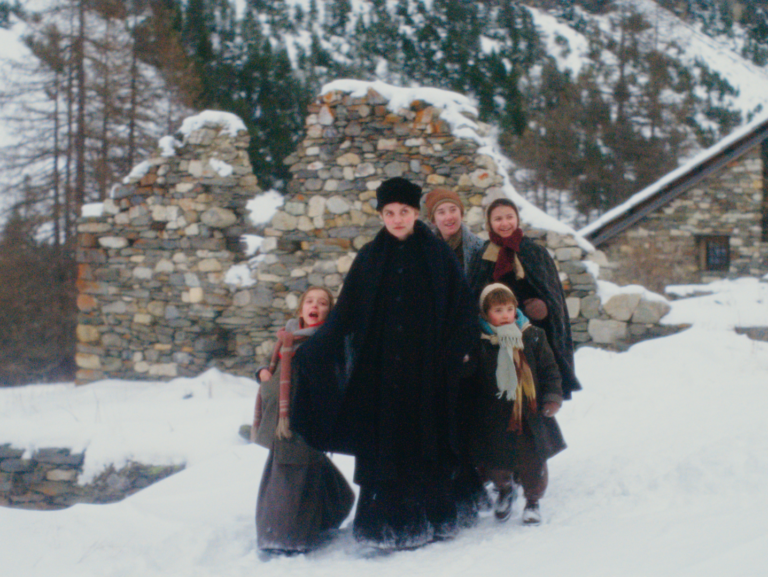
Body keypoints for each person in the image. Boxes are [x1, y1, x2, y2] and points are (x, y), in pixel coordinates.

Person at [291, 177, 479, 550]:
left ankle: (430, 519)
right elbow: (345, 313)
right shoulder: (369, 257)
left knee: (426, 441)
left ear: (416, 213)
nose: (396, 219)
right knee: (384, 444)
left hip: (427, 370)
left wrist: (459, 350)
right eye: (389, 213)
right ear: (380, 215)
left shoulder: (437, 254)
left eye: (404, 212)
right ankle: (383, 526)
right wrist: (313, 351)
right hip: (381, 372)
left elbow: (462, 307)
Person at [250, 286, 354, 556]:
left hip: (307, 417)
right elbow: (272, 365)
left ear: (329, 311)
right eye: (310, 301)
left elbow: (338, 376)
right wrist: (262, 373)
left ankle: (286, 536)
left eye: (322, 303)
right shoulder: (287, 335)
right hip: (281, 419)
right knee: (291, 470)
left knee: (292, 473)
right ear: (301, 308)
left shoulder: (329, 340)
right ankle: (320, 516)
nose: (315, 306)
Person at [469, 283, 566, 525]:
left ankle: (533, 500)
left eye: (509, 309)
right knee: (495, 461)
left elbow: (550, 370)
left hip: (529, 413)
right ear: (484, 313)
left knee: (532, 461)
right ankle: (505, 489)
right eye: (498, 310)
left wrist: (552, 397)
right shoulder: (479, 342)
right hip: (493, 415)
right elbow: (470, 378)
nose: (505, 315)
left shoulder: (533, 336)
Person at [467, 197, 581, 400]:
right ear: (489, 223)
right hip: (492, 336)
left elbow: (554, 297)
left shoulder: (535, 252)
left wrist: (545, 307)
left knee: (531, 393)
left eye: (509, 217)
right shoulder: (483, 254)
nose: (505, 223)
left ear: (517, 219)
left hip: (531, 335)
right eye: (498, 219)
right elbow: (472, 296)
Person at [423, 188, 484, 273]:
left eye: (453, 210)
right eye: (441, 212)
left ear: (461, 214)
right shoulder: (424, 250)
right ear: (433, 220)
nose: (449, 217)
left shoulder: (479, 248)